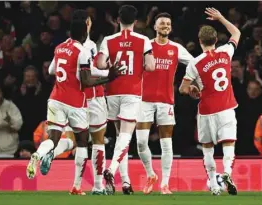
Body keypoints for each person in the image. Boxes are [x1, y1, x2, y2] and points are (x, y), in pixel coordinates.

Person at [26, 15, 123, 184]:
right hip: (83, 99)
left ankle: (42, 154)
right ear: (86, 29)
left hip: (56, 98)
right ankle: (91, 186)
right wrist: (109, 75)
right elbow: (87, 78)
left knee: (61, 139)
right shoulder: (89, 48)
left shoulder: (59, 47)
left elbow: (51, 70)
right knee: (88, 141)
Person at [120, 12, 193, 195]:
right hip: (144, 101)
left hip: (166, 102)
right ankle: (151, 174)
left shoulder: (176, 48)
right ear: (155, 27)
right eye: (162, 24)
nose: (165, 26)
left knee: (166, 143)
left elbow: (195, 63)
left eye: (168, 24)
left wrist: (187, 81)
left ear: (171, 27)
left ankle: (165, 184)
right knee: (141, 142)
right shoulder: (146, 46)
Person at [179, 7, 240, 196]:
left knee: (207, 149)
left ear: (200, 41)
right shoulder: (225, 52)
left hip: (207, 111)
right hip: (227, 107)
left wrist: (192, 90)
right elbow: (236, 32)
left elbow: (182, 89)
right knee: (228, 144)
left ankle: (214, 185)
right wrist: (221, 17)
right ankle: (227, 173)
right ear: (216, 40)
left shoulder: (195, 63)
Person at [96, 4, 155, 195]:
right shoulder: (144, 40)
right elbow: (151, 66)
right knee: (126, 137)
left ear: (118, 21)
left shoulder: (108, 40)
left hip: (112, 92)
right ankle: (111, 170)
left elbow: (99, 63)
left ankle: (127, 183)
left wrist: (110, 67)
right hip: (132, 92)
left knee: (121, 137)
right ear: (135, 22)